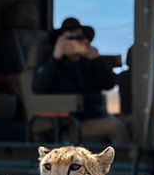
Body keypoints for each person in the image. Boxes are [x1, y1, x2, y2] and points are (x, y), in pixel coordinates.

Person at [32, 17, 130, 145]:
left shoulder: (88, 63)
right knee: (116, 127)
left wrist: (97, 60)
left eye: (78, 38)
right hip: (72, 122)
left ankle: (151, 158)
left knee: (137, 121)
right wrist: (55, 57)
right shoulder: (51, 65)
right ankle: (124, 163)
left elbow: (109, 84)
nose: (74, 43)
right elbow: (38, 88)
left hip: (97, 115)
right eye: (69, 39)